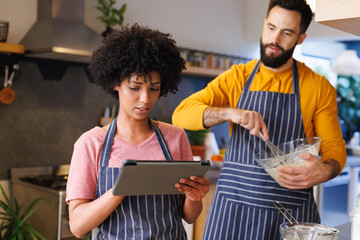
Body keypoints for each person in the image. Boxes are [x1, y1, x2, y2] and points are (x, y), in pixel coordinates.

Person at [172, 0, 346, 239]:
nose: (275, 39)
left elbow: (334, 148)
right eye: (271, 27)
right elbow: (181, 113)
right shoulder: (236, 77)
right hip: (231, 212)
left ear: (301, 38)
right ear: (264, 24)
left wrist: (325, 170)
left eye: (286, 33)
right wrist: (230, 112)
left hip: (290, 215)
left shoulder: (318, 87)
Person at [66, 24, 211, 239]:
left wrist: (195, 197)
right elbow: (77, 227)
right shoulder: (91, 143)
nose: (146, 98)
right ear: (116, 83)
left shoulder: (175, 137)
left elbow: (188, 216)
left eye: (154, 88)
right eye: (135, 87)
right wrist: (122, 187)